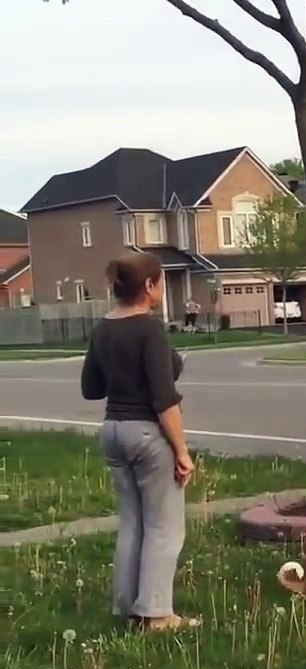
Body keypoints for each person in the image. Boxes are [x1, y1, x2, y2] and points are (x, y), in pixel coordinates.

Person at [80, 252, 197, 633]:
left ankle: (128, 607)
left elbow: (91, 388)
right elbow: (165, 400)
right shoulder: (148, 330)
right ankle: (157, 614)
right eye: (160, 282)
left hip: (113, 431)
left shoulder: (102, 329)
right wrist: (181, 451)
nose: (161, 289)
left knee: (132, 523)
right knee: (164, 526)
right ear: (148, 286)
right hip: (146, 433)